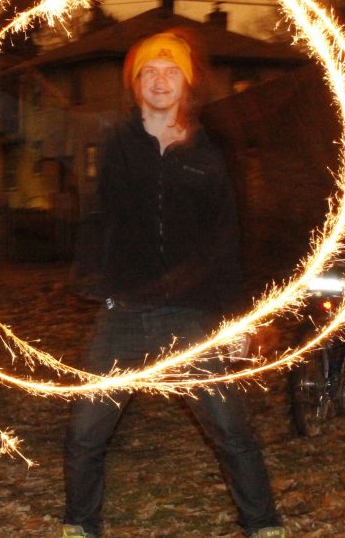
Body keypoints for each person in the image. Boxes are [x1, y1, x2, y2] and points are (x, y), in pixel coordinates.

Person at [62, 30, 286, 538]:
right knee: (86, 432)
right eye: (149, 72)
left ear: (186, 83)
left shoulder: (209, 153)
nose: (159, 80)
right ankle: (79, 526)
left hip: (191, 315)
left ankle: (265, 525)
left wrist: (235, 319)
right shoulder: (112, 143)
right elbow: (44, 126)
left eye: (170, 71)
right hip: (123, 313)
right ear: (135, 83)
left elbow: (227, 239)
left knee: (231, 429)